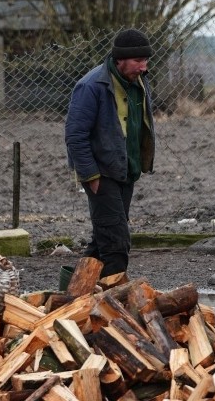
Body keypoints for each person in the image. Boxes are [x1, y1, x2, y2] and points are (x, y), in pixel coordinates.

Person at [65, 29, 156, 278]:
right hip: (101, 172)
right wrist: (89, 174)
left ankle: (75, 295)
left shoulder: (138, 82)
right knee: (116, 242)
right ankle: (114, 302)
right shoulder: (91, 86)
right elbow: (75, 134)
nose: (143, 66)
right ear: (120, 60)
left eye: (146, 60)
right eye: (138, 61)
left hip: (126, 170)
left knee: (103, 237)